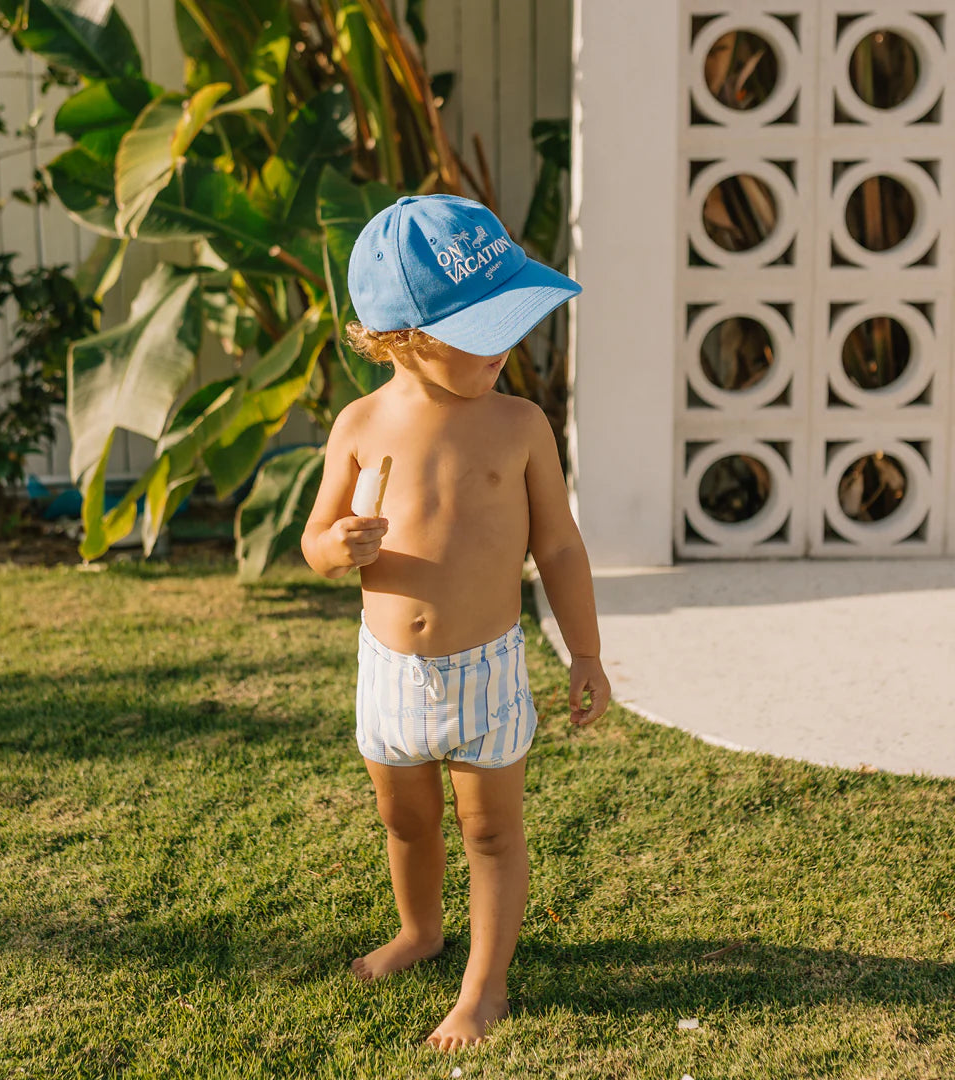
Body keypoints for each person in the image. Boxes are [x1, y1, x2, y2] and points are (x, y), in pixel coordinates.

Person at [300, 194, 611, 1052]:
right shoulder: (359, 426)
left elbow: (560, 547)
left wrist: (585, 651)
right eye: (485, 329)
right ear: (405, 339)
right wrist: (340, 547)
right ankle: (420, 931)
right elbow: (316, 542)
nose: (506, 347)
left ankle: (485, 987)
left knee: (490, 829)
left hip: (487, 671)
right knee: (406, 820)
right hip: (389, 674)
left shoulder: (519, 425)